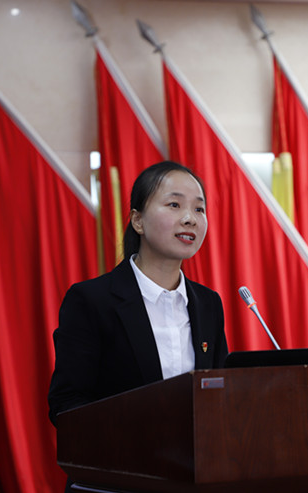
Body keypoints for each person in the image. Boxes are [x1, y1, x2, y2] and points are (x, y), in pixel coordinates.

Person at [48, 161, 229, 426]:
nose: (190, 218)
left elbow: (219, 393)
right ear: (138, 221)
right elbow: (67, 404)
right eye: (174, 205)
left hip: (197, 453)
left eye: (199, 208)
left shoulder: (208, 303)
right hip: (121, 451)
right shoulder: (92, 300)